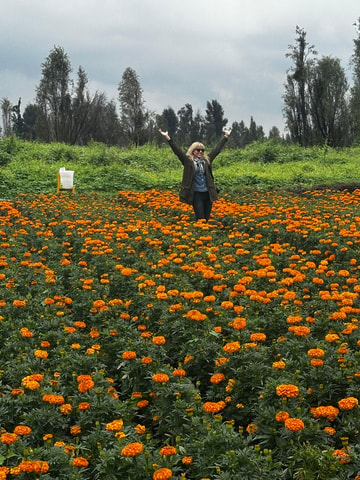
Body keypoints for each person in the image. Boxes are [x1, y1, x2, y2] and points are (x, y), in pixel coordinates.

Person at [159, 127, 232, 221]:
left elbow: (216, 150)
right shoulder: (188, 161)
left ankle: (205, 233)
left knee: (207, 217)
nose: (200, 152)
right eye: (198, 150)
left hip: (207, 193)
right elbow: (177, 151)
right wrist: (168, 138)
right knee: (200, 217)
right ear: (193, 150)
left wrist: (225, 136)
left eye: (202, 150)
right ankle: (200, 231)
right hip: (196, 194)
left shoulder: (207, 160)